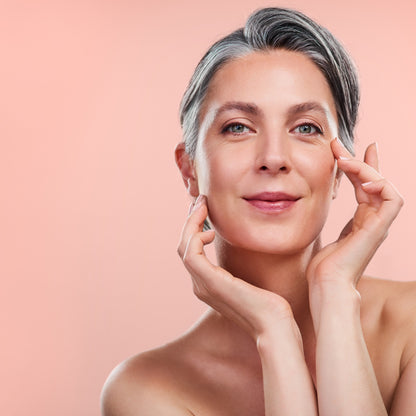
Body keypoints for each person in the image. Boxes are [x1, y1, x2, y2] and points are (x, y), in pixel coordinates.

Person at [101, 7, 416, 415]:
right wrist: (276, 331)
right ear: (189, 169)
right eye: (238, 127)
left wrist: (335, 291)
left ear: (341, 170)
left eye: (306, 128)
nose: (273, 158)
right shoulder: (147, 391)